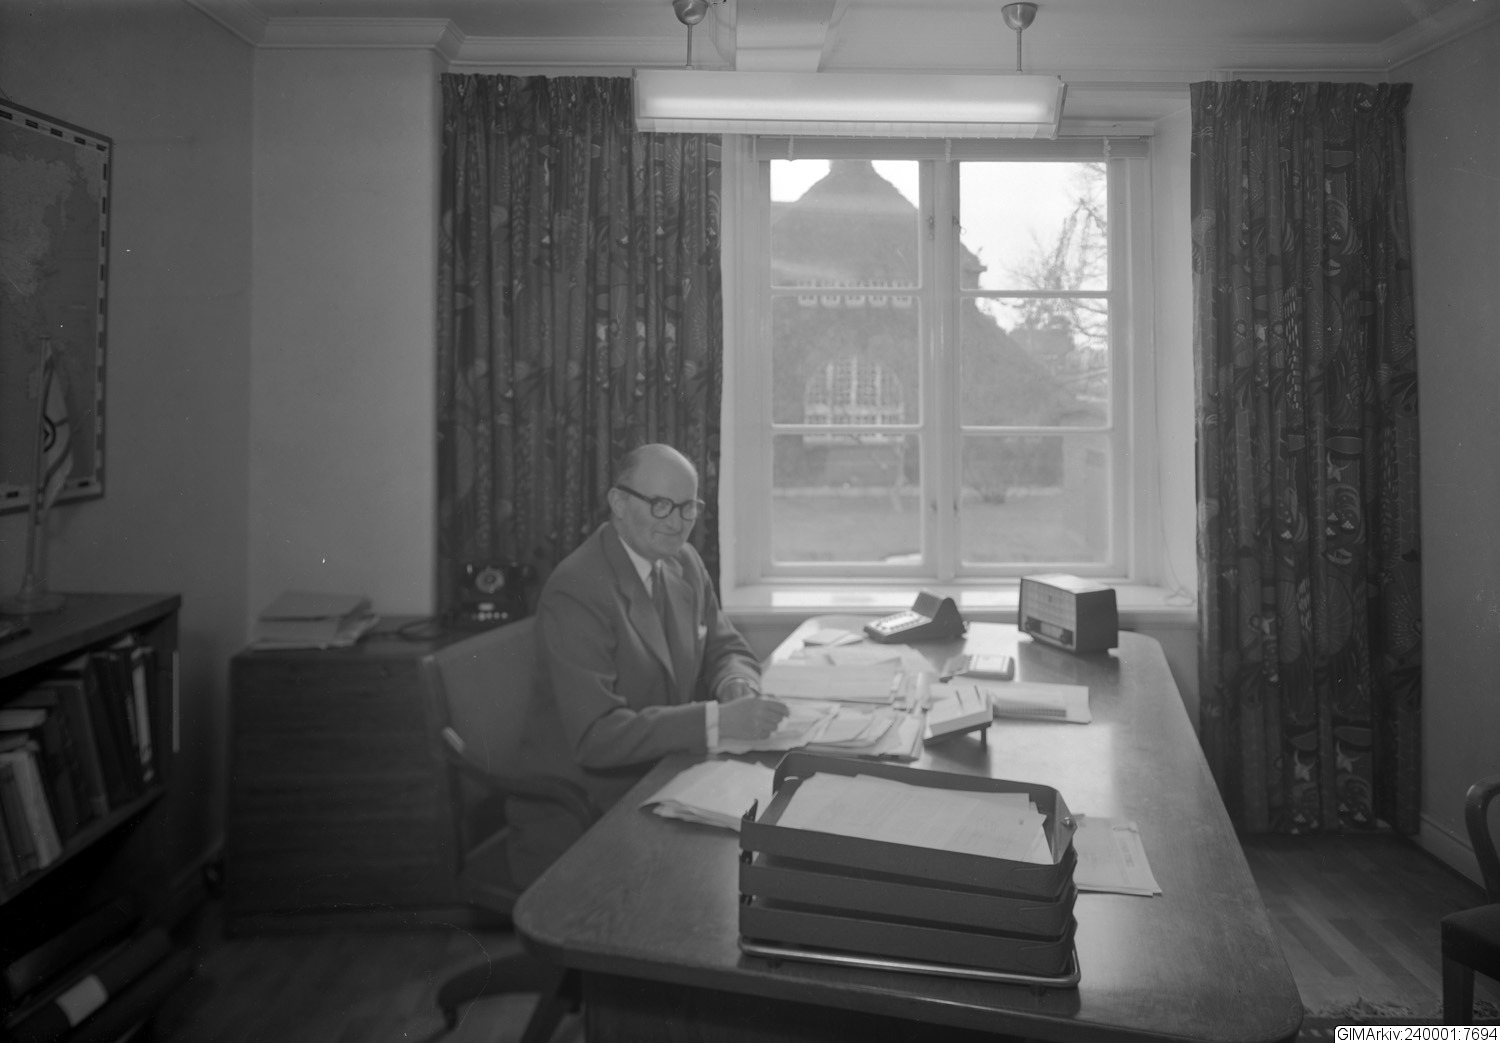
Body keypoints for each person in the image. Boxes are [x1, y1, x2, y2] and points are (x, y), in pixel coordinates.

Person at [506, 443, 789, 885]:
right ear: (618, 503)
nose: (676, 522)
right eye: (660, 505)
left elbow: (725, 646)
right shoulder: (578, 588)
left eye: (688, 506)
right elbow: (598, 737)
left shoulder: (683, 561)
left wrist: (736, 681)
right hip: (585, 809)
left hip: (665, 776)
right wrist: (719, 720)